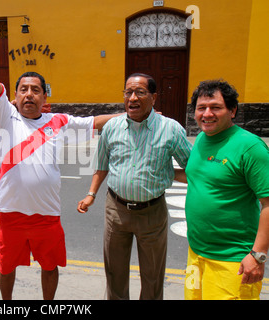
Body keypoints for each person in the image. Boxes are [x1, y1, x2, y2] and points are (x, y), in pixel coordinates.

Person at [0, 2, 121, 300]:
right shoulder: (5, 116)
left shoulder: (59, 121)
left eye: (35, 90)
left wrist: (131, 112)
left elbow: (96, 121)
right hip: (11, 213)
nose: (28, 94)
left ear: (44, 96)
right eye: (23, 89)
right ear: (14, 96)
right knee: (6, 266)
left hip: (47, 215)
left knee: (50, 266)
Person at [77, 73, 192, 300]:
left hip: (152, 213)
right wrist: (91, 194)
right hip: (116, 210)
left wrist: (166, 173)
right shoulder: (112, 127)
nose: (133, 98)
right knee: (114, 272)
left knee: (152, 274)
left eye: (140, 92)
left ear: (154, 97)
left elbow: (193, 169)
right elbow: (101, 165)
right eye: (128, 92)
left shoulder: (171, 129)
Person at [182, 80, 269, 300]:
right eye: (201, 108)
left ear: (232, 111)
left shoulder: (250, 147)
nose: (207, 114)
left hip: (233, 261)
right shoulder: (202, 138)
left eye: (215, 107)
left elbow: (268, 203)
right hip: (196, 255)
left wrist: (258, 256)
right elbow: (201, 178)